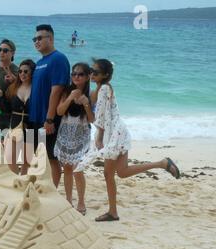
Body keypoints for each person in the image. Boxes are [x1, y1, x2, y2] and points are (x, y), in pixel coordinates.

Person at [75, 59, 181, 222]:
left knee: (108, 174)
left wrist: (100, 137)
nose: (92, 74)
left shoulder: (103, 89)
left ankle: (113, 212)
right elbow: (104, 114)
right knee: (122, 172)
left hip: (113, 133)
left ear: (105, 75)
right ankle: (162, 163)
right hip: (119, 131)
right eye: (91, 71)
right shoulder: (103, 88)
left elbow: (102, 117)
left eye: (95, 72)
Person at [28, 24, 70, 188]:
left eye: (40, 38)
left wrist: (50, 119)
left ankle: (52, 192)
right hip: (36, 118)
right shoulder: (40, 62)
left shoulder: (58, 59)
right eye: (34, 39)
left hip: (49, 119)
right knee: (38, 155)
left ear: (50, 39)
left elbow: (57, 90)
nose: (36, 41)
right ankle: (42, 187)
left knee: (52, 158)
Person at [54, 63, 95, 215]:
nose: (76, 77)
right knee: (68, 168)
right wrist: (70, 98)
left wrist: (85, 104)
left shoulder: (91, 94)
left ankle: (82, 202)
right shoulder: (66, 91)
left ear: (87, 77)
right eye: (74, 74)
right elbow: (59, 111)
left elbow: (91, 119)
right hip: (66, 131)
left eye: (80, 74)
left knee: (78, 169)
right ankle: (69, 201)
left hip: (81, 133)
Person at [0, 59, 36, 175]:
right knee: (10, 158)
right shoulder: (13, 88)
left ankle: (23, 182)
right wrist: (1, 95)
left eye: (26, 71)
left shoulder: (37, 89)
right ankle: (16, 179)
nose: (22, 74)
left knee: (27, 161)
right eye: (20, 71)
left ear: (32, 73)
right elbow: (6, 109)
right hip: (15, 126)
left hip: (30, 128)